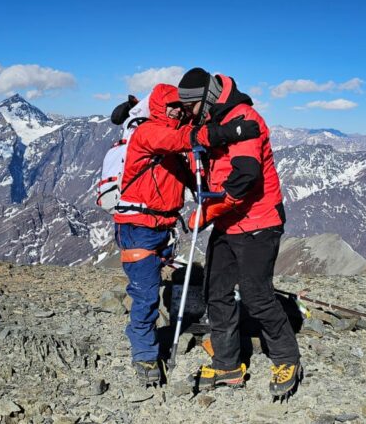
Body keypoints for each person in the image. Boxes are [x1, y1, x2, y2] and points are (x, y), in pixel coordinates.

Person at [111, 83, 260, 386]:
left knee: (153, 285)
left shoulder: (166, 137)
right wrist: (232, 132)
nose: (180, 111)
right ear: (158, 108)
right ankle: (145, 356)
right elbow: (185, 137)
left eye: (182, 106)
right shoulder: (151, 133)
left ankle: (163, 336)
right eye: (173, 106)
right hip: (138, 228)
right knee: (145, 294)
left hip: (160, 227)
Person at [177, 68, 302, 398]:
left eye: (190, 108)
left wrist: (208, 212)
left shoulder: (244, 118)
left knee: (256, 294)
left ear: (204, 100)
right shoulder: (211, 120)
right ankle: (228, 362)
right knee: (216, 292)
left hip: (258, 222)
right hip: (228, 223)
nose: (188, 114)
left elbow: (245, 178)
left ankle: (287, 358)